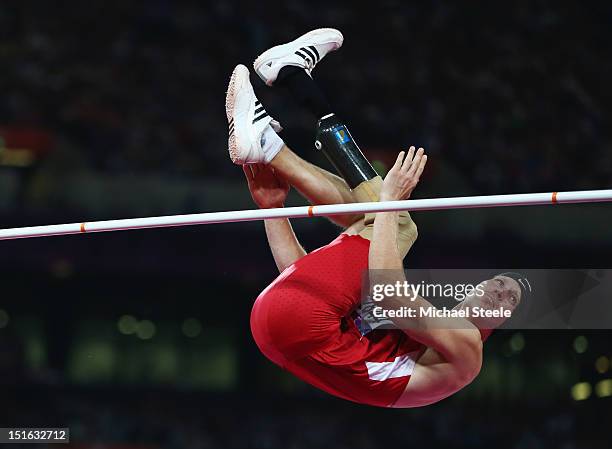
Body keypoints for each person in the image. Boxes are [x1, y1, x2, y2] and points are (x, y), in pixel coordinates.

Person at [226, 29, 521, 407]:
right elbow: (299, 278)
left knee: (396, 223)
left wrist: (392, 201)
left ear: (497, 325)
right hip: (276, 326)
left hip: (296, 328)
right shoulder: (406, 334)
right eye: (497, 284)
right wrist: (272, 208)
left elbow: (388, 293)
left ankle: (272, 137)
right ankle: (290, 89)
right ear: (472, 289)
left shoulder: (465, 350)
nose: (499, 292)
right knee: (373, 216)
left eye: (507, 299)